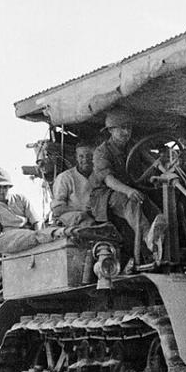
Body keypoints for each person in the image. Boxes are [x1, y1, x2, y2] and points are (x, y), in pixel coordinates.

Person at [90, 110, 163, 262]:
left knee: (154, 210)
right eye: (121, 128)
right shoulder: (101, 152)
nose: (126, 132)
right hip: (106, 196)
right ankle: (148, 237)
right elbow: (109, 180)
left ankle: (158, 246)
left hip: (131, 189)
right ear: (110, 130)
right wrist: (128, 190)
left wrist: (158, 172)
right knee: (131, 202)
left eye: (128, 127)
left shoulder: (134, 146)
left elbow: (151, 163)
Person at [0, 168, 42, 252]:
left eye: (5, 187)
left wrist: (39, 238)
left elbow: (36, 221)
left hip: (29, 237)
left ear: (9, 187)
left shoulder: (20, 199)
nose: (2, 191)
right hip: (10, 243)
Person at [51, 143, 95, 227]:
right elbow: (57, 209)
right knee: (84, 219)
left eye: (89, 156)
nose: (85, 159)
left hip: (95, 215)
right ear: (76, 158)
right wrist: (82, 209)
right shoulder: (65, 177)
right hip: (72, 216)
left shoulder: (99, 175)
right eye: (81, 156)